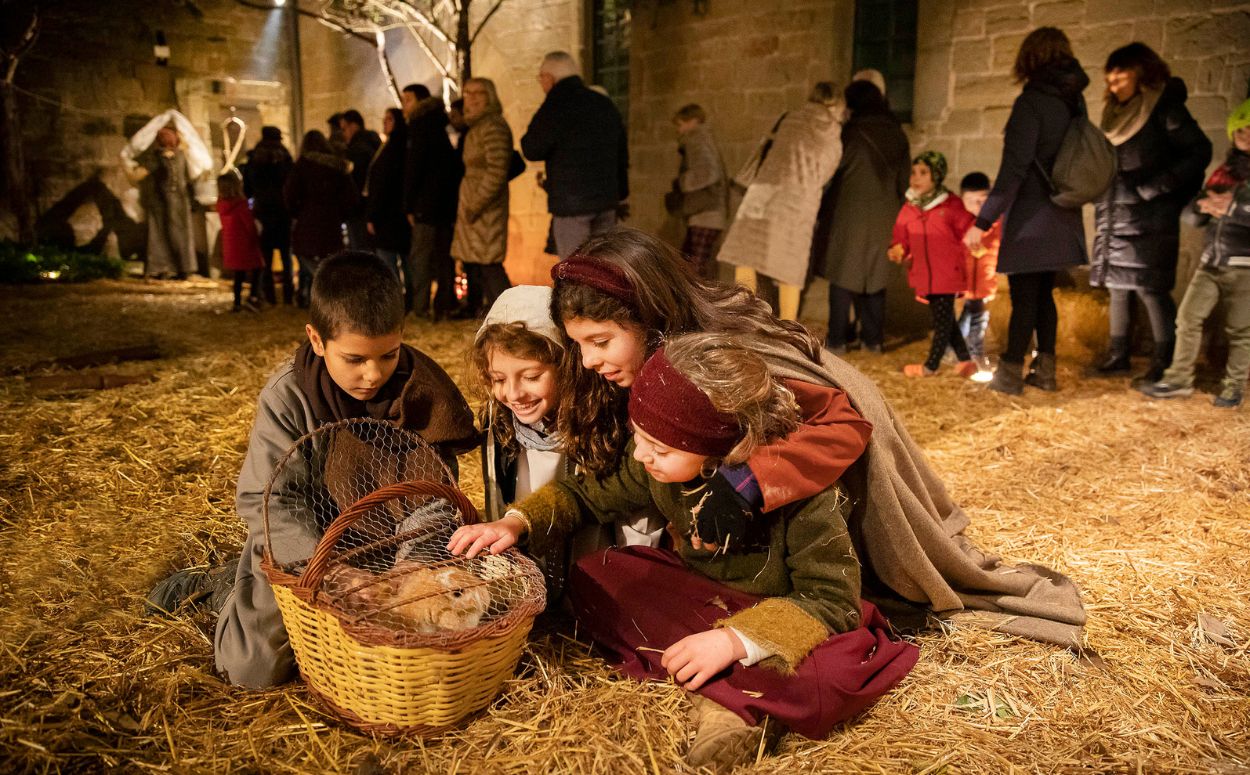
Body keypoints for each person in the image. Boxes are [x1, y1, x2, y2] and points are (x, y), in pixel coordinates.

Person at [548, 229, 1086, 648]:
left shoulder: (725, 359)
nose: (590, 360)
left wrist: (746, 483)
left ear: (651, 315)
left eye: (601, 341)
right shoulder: (649, 366)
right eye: (580, 345)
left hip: (819, 491)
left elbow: (844, 424)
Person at [450, 332, 919, 770]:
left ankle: (731, 708)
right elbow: (585, 494)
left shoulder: (804, 496)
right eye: (639, 438)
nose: (639, 456)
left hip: (781, 619)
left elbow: (832, 603)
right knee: (601, 573)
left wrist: (734, 641)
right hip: (703, 600)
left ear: (717, 450)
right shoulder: (658, 470)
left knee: (831, 674)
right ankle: (731, 689)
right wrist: (516, 522)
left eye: (657, 446)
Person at [143, 252, 480, 688]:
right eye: (354, 359)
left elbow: (435, 494)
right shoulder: (289, 396)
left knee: (421, 651)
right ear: (317, 340)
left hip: (400, 542)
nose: (373, 374)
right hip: (310, 548)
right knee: (252, 671)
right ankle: (224, 585)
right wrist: (327, 569)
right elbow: (269, 498)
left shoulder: (426, 393)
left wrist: (411, 570)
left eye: (388, 354)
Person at [965, 27, 1090, 395]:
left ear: (1030, 58)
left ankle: (1008, 375)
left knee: (1024, 297)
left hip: (1032, 216)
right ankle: (1045, 371)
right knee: (1044, 295)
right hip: (1062, 213)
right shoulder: (1073, 101)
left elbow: (1013, 170)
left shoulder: (1031, 103)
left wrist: (983, 220)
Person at [1091, 42, 1212, 384]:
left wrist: (1154, 188)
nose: (1113, 85)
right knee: (1117, 285)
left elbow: (1198, 150)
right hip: (1116, 212)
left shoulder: (1163, 109)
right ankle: (1118, 355)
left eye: (1121, 76)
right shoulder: (1114, 115)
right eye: (1109, 79)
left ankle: (1165, 359)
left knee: (1150, 288)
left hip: (1151, 214)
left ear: (1141, 74)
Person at [1138, 101, 1250, 409]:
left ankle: (1233, 387)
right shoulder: (1225, 171)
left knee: (1241, 332)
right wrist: (1199, 206)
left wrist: (1234, 208)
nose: (1245, 135)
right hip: (1211, 262)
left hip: (1245, 266)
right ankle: (1178, 380)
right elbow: (1194, 215)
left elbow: (1237, 211)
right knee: (1187, 318)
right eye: (1240, 129)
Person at [719, 82, 845, 321]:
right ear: (838, 104)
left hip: (762, 196)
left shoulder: (789, 119)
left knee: (747, 257)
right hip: (797, 204)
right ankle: (789, 325)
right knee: (790, 270)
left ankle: (745, 316)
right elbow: (826, 173)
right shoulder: (832, 135)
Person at [812, 79, 910, 353]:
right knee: (875, 278)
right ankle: (873, 339)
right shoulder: (897, 133)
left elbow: (832, 172)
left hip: (848, 211)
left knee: (843, 276)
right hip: (885, 213)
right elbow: (904, 183)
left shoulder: (850, 133)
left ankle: (838, 340)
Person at [521, 51, 629, 259]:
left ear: (549, 78)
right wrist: (620, 193)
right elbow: (621, 151)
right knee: (604, 264)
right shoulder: (603, 103)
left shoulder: (556, 105)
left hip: (572, 204)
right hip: (606, 201)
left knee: (574, 269)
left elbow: (532, 148)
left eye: (541, 79)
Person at [888, 151, 979, 378]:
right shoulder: (910, 207)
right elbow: (901, 236)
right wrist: (898, 248)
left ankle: (931, 365)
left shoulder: (950, 205)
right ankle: (966, 361)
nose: (916, 178)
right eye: (914, 173)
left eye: (923, 173)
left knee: (941, 321)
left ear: (936, 176)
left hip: (947, 272)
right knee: (945, 319)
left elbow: (969, 227)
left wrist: (978, 240)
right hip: (925, 274)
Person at [452, 77, 514, 317]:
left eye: (479, 93)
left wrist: (477, 203)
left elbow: (497, 170)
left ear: (490, 96)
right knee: (475, 262)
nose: (472, 98)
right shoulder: (476, 128)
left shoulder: (493, 127)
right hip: (473, 205)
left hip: (486, 207)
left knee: (489, 262)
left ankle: (510, 311)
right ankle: (487, 309)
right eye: (468, 93)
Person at [402, 83, 463, 320]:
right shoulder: (442, 125)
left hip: (426, 206)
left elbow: (413, 168)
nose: (404, 105)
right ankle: (444, 305)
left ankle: (420, 308)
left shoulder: (419, 127)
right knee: (443, 258)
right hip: (446, 205)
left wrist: (409, 204)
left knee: (422, 258)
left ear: (420, 101)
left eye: (408, 99)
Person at [284, 130, 357, 307]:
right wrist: (339, 213)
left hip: (308, 222)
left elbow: (289, 194)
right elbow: (351, 197)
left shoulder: (302, 165)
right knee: (329, 262)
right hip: (331, 223)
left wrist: (298, 212)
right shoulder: (337, 167)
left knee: (310, 260)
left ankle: (332, 295)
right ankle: (330, 295)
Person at [666, 103, 727, 278]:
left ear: (692, 120)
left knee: (693, 271)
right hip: (709, 213)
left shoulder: (696, 139)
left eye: (680, 124)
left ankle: (695, 305)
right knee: (693, 266)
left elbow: (709, 173)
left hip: (705, 214)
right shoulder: (704, 138)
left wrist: (682, 182)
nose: (679, 130)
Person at [136, 126, 197, 279]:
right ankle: (171, 268)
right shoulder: (165, 156)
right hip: (167, 201)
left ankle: (178, 268)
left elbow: (187, 176)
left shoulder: (175, 155)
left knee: (173, 234)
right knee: (165, 234)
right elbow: (141, 174)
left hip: (173, 201)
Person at [956, 172, 1002, 373]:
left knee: (974, 318)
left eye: (983, 201)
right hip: (965, 284)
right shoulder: (960, 224)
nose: (978, 206)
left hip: (984, 282)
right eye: (971, 201)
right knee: (973, 319)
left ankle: (965, 354)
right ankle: (973, 356)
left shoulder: (995, 225)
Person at [243, 126, 294, 304]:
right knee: (286, 256)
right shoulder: (285, 158)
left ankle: (269, 295)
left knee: (266, 256)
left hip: (263, 212)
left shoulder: (254, 159)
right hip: (283, 212)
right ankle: (288, 295)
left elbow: (247, 189)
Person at [365, 107, 412, 281]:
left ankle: (400, 300)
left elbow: (382, 185)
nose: (385, 122)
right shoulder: (391, 146)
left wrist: (372, 215)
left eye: (390, 119)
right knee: (403, 262)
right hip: (395, 215)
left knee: (390, 262)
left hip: (389, 216)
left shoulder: (393, 149)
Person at [215, 171, 265, 313]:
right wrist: (256, 236)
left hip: (231, 244)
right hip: (245, 244)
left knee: (238, 275)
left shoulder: (222, 204)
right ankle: (253, 297)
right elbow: (249, 225)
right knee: (257, 269)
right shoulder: (241, 205)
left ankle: (237, 302)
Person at [340, 109, 382, 250]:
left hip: (359, 212)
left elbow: (353, 184)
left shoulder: (356, 150)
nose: (343, 134)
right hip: (375, 209)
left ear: (353, 126)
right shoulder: (376, 145)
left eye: (344, 129)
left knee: (360, 253)